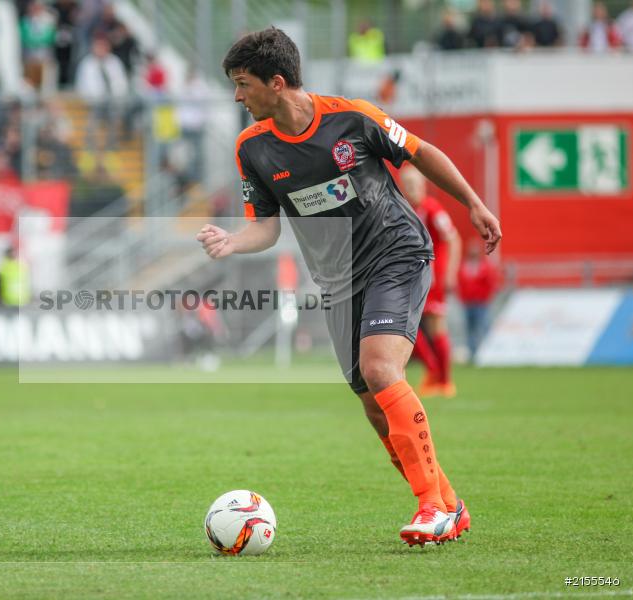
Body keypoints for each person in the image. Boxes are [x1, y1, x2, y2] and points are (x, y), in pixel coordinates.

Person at [197, 28, 501, 546]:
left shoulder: (353, 117)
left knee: (380, 369)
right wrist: (232, 241)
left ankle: (430, 507)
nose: (237, 96)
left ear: (277, 82)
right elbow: (266, 228)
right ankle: (449, 503)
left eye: (243, 84)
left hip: (396, 252)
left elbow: (422, 153)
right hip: (339, 281)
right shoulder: (252, 149)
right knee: (371, 402)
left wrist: (472, 202)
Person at [400, 166, 461, 398]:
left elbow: (453, 239)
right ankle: (434, 373)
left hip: (432, 277)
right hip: (412, 277)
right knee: (408, 325)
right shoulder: (405, 210)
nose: (410, 189)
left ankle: (444, 381)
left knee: (435, 325)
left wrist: (451, 273)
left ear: (423, 185)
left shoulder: (433, 209)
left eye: (414, 184)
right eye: (406, 184)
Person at [457, 238, 501, 359]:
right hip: (467, 303)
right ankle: (473, 354)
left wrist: (486, 297)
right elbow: (459, 284)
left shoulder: (485, 266)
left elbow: (491, 284)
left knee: (482, 328)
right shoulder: (464, 266)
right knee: (469, 330)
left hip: (481, 303)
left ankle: (484, 353)